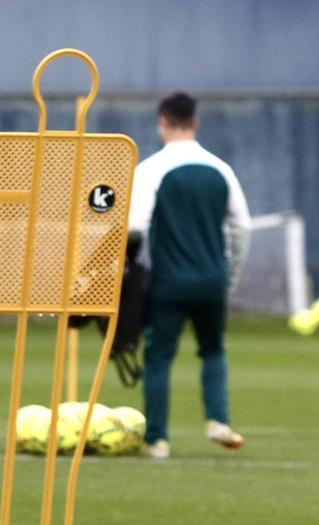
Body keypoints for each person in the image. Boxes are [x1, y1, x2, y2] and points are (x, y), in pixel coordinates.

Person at [128, 91, 251, 460]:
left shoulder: (151, 169)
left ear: (162, 122)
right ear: (195, 122)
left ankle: (158, 440)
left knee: (159, 357)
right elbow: (242, 229)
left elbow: (134, 226)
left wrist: (124, 267)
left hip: (168, 282)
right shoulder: (221, 169)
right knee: (213, 350)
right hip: (212, 281)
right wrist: (227, 276)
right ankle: (217, 420)